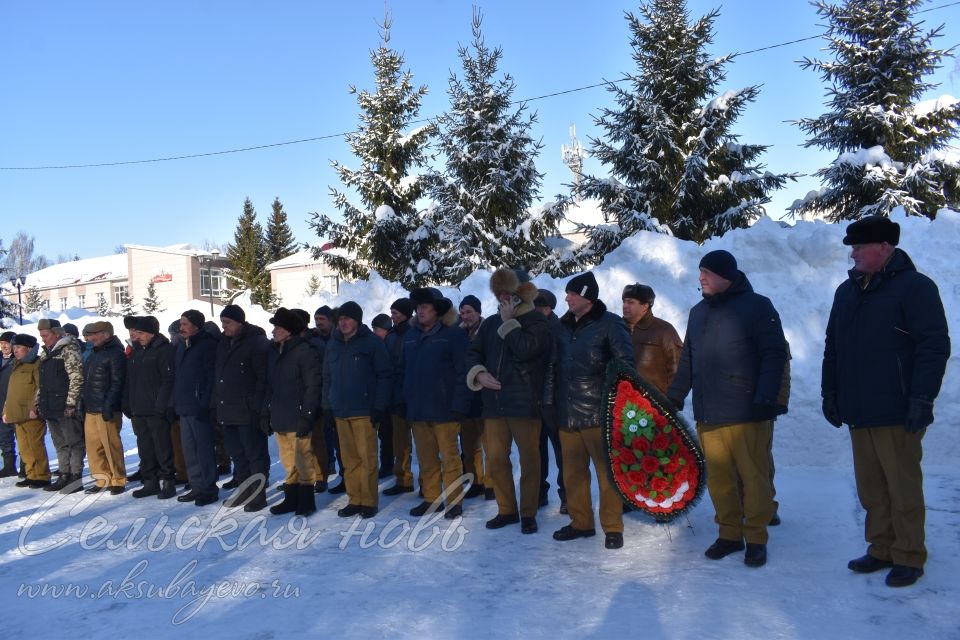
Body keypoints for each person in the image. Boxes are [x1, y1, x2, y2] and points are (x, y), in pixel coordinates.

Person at [822, 216, 950, 588]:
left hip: (897, 407)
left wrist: (922, 398)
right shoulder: (846, 292)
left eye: (859, 247)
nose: (853, 253)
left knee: (901, 484)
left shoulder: (916, 288)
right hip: (858, 407)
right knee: (871, 486)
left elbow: (934, 346)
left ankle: (909, 554)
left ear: (884, 248)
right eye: (852, 247)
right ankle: (881, 547)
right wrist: (830, 391)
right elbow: (833, 346)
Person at [667, 250, 787, 568]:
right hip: (709, 412)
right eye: (700, 272)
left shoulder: (758, 307)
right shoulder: (698, 312)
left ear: (726, 276)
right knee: (720, 481)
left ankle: (757, 538)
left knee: (754, 478)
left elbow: (774, 355)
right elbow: (688, 361)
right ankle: (730, 535)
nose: (701, 278)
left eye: (706, 272)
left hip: (748, 411)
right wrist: (676, 396)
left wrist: (765, 398)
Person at [548, 272, 634, 550]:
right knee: (572, 473)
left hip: (599, 413)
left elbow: (625, 366)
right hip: (567, 411)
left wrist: (614, 404)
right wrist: (549, 401)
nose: (567, 298)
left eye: (572, 294)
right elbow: (553, 366)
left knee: (607, 473)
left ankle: (612, 527)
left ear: (587, 296)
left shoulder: (610, 324)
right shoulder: (561, 327)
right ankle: (581, 523)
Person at [467, 270, 551, 534]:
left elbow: (527, 350)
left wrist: (509, 323)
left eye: (509, 293)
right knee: (496, 460)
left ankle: (528, 512)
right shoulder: (489, 324)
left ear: (521, 294)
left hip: (525, 404)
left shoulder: (536, 321)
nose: (503, 297)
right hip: (494, 405)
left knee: (530, 461)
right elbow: (472, 353)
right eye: (500, 293)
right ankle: (506, 510)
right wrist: (478, 373)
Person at [402, 288, 471, 519]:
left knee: (450, 458)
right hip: (418, 408)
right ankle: (432, 498)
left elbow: (464, 372)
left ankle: (454, 501)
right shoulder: (410, 336)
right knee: (426, 459)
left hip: (445, 408)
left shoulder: (453, 335)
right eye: (418, 307)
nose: (420, 311)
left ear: (436, 311)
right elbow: (404, 372)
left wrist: (459, 403)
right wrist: (407, 399)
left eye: (425, 307)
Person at [323, 301, 392, 518]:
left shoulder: (371, 343)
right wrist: (328, 403)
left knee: (367, 459)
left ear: (357, 321)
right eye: (340, 319)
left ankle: (369, 501)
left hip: (364, 410)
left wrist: (379, 406)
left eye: (347, 318)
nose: (343, 322)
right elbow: (327, 376)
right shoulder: (333, 344)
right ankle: (355, 499)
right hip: (340, 411)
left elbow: (385, 375)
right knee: (349, 460)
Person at [264, 308, 323, 517]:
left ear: (289, 331)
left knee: (303, 460)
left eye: (278, 327)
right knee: (289, 460)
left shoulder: (304, 351)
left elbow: (313, 385)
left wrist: (307, 414)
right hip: (281, 415)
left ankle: (307, 501)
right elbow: (270, 385)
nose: (274, 330)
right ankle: (291, 499)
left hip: (298, 416)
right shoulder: (275, 351)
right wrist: (267, 412)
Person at [213, 305, 271, 511]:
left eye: (227, 322)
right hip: (226, 410)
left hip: (247, 411)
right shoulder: (223, 343)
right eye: (222, 322)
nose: (224, 326)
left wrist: (256, 405)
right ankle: (245, 491)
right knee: (237, 455)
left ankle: (257, 495)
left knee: (254, 455)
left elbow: (263, 378)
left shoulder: (256, 342)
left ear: (239, 322)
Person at [125, 315, 177, 500]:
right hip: (138, 409)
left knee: (162, 448)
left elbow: (168, 381)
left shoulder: (164, 350)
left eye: (140, 333)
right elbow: (130, 380)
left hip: (156, 409)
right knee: (145, 448)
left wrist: (161, 406)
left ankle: (168, 482)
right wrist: (128, 403)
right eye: (136, 332)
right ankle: (150, 482)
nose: (136, 336)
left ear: (151, 333)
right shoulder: (137, 351)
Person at [172, 310, 219, 506]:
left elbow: (210, 379)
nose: (180, 328)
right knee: (189, 450)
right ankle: (196, 485)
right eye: (180, 324)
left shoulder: (207, 345)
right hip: (184, 406)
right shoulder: (184, 345)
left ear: (196, 326)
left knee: (204, 450)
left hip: (199, 407)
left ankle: (208, 488)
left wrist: (205, 403)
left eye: (184, 324)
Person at [36, 319, 85, 493]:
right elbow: (42, 382)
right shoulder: (46, 353)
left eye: (46, 335)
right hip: (50, 404)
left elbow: (76, 377)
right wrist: (38, 401)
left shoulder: (69, 349)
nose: (43, 339)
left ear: (56, 333)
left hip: (65, 405)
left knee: (74, 442)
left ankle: (75, 477)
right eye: (41, 335)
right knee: (59, 442)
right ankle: (64, 474)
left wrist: (71, 402)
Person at [81, 321, 128, 495]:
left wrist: (109, 405)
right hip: (91, 407)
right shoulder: (94, 353)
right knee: (93, 446)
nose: (90, 337)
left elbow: (117, 382)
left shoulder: (116, 354)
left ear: (106, 334)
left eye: (94, 334)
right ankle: (102, 478)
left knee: (111, 445)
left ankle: (117, 479)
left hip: (107, 408)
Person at [2, 334, 50, 487]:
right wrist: (6, 410)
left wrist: (35, 407)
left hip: (31, 414)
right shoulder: (16, 365)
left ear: (28, 349)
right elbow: (11, 391)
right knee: (24, 446)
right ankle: (31, 474)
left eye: (18, 347)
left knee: (35, 445)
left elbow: (40, 387)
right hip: (16, 413)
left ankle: (41, 475)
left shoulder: (36, 364)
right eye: (14, 347)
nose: (15, 350)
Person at [382, 298, 417, 497]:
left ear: (405, 314)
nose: (392, 316)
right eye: (392, 312)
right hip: (396, 396)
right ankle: (403, 480)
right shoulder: (391, 336)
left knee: (423, 444)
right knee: (400, 443)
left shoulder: (415, 333)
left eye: (395, 313)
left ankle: (428, 482)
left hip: (414, 396)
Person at [621, 284, 682, 395]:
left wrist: (671, 400)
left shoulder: (664, 330)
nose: (625, 305)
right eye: (624, 301)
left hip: (654, 405)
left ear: (645, 306)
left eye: (630, 302)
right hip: (620, 403)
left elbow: (677, 367)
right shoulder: (616, 328)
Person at [534, 288, 564, 511]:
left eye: (539, 307)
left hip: (554, 401)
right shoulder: (531, 328)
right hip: (534, 400)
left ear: (548, 309)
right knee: (537, 451)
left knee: (562, 452)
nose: (535, 311)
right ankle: (539, 493)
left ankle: (567, 497)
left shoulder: (559, 330)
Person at [458, 294, 488, 500]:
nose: (465, 316)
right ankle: (475, 481)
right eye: (462, 313)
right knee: (469, 446)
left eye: (469, 312)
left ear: (478, 312)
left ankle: (492, 484)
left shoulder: (488, 331)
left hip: (486, 397)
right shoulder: (458, 335)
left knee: (490, 445)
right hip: (466, 398)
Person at [369, 312, 395, 477]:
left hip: (392, 398)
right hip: (380, 397)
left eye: (377, 329)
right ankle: (386, 465)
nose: (374, 333)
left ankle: (389, 466)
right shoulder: (377, 345)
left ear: (386, 330)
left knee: (390, 435)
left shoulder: (389, 344)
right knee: (384, 434)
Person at [0, 331, 18, 477]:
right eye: (1, 344)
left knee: (22, 438)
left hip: (15, 404)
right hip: (0, 405)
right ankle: (9, 465)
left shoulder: (18, 360)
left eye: (6, 343)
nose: (4, 346)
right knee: (4, 438)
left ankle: (27, 466)